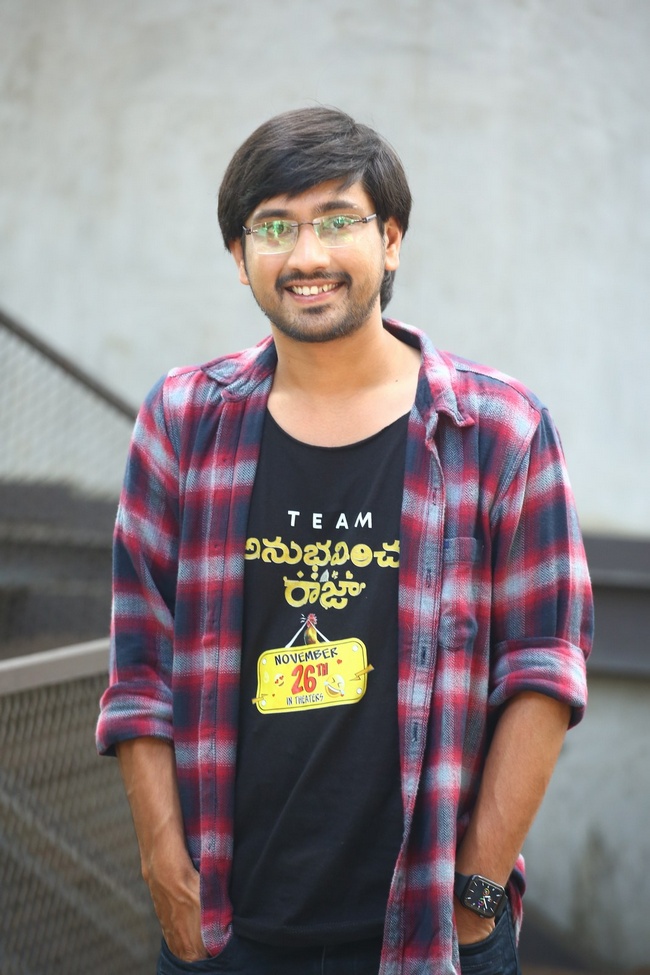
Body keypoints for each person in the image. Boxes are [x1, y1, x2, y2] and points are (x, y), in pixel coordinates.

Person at [96, 106, 593, 975]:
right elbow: (141, 667)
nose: (306, 255)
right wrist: (164, 867)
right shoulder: (181, 422)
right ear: (239, 255)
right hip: (226, 930)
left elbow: (545, 668)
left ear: (390, 240)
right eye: (274, 227)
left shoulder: (497, 430)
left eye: (337, 221)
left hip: (429, 931)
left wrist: (475, 891)